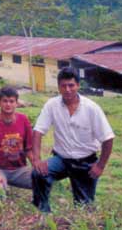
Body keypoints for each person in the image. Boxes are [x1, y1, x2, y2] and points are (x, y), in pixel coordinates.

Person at [31, 67, 114, 213]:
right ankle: (43, 213)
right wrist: (37, 159)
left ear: (78, 86)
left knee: (84, 208)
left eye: (71, 85)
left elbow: (107, 138)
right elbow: (38, 131)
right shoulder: (52, 105)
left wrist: (100, 165)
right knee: (38, 173)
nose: (67, 90)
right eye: (63, 86)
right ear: (58, 87)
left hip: (85, 162)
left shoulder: (91, 108)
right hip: (61, 159)